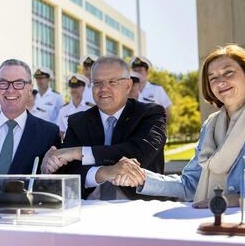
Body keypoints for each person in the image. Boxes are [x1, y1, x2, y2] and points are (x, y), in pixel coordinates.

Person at [113, 44, 245, 207]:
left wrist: (239, 199)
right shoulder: (210, 126)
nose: (221, 82)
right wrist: (140, 177)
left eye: (228, 73)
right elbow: (190, 185)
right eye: (213, 78)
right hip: (212, 228)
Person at [42, 56, 167, 200]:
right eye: (97, 82)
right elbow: (69, 173)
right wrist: (102, 173)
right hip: (89, 208)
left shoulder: (150, 113)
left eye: (112, 82)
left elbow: (138, 153)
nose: (103, 88)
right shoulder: (78, 121)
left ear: (128, 85)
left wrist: (78, 152)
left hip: (140, 207)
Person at [57, 74, 90, 139]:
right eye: (72, 87)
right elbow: (61, 132)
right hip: (69, 146)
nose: (74, 89)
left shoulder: (90, 108)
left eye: (77, 86)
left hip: (86, 146)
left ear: (83, 88)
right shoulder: (63, 109)